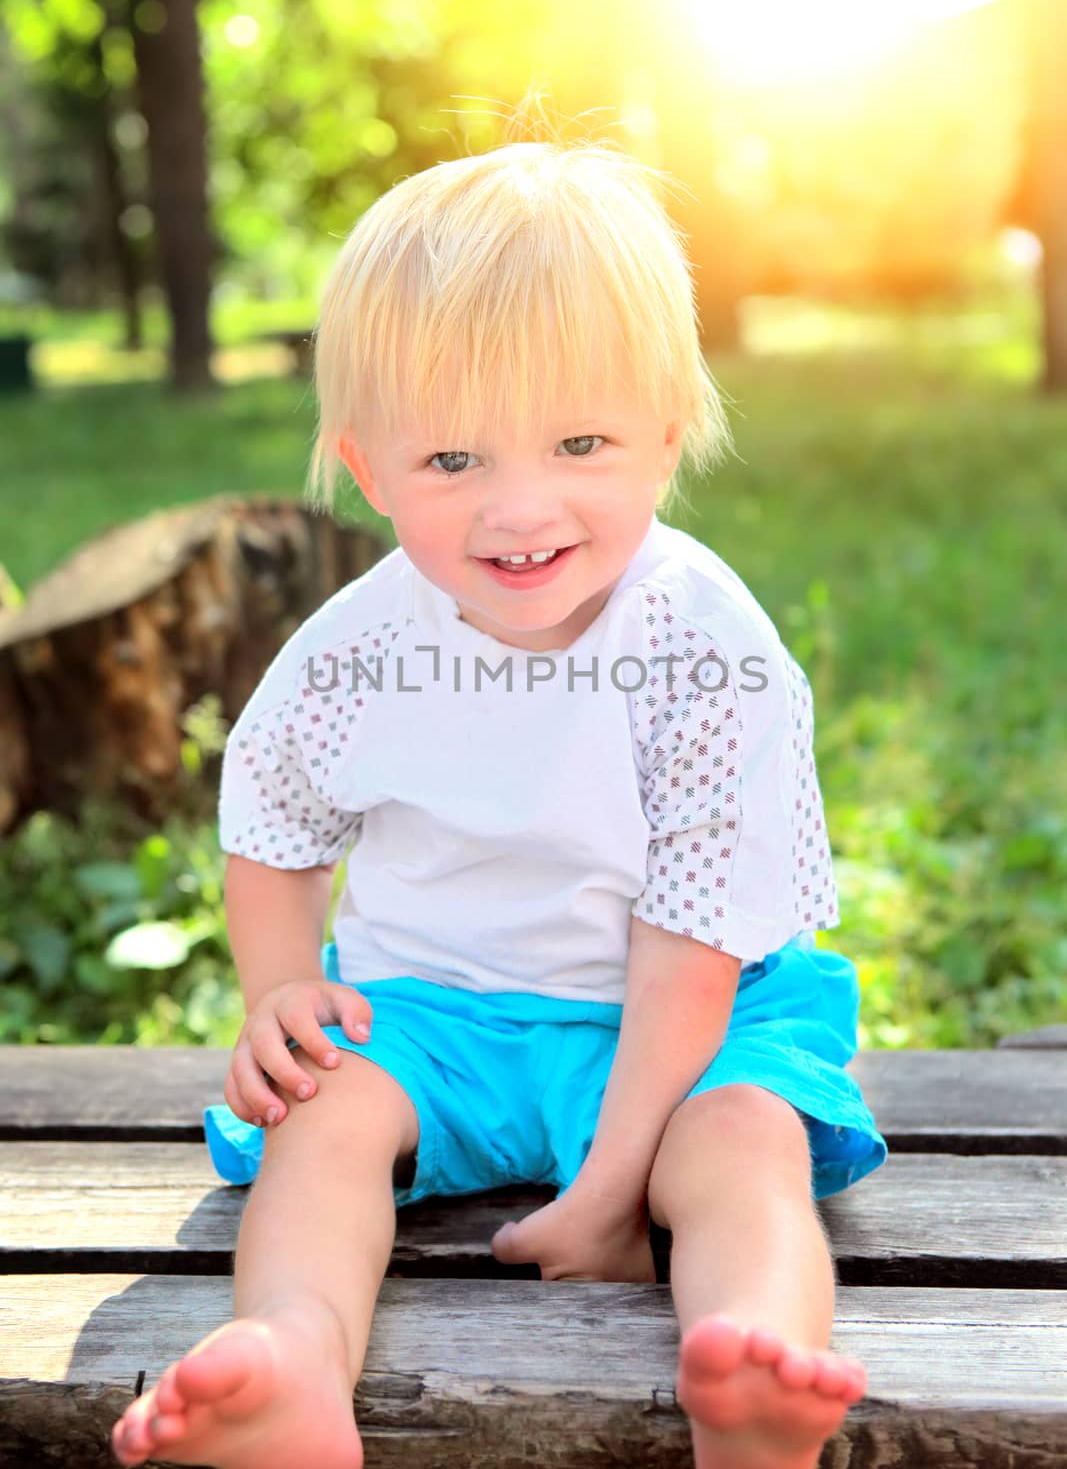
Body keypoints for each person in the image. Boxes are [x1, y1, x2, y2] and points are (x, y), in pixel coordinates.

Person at [111, 115, 887, 1469]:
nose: (518, 511)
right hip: (433, 1015)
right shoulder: (357, 647)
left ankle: (757, 1371)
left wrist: (614, 1187)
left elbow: (696, 942)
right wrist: (282, 990)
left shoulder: (706, 645)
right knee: (323, 1124)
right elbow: (276, 815)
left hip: (679, 1022)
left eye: (580, 442)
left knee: (740, 1150)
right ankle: (291, 1359)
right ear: (367, 467)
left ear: (667, 429)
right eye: (452, 461)